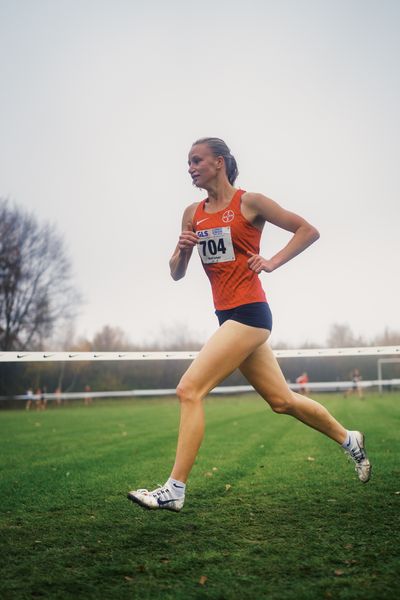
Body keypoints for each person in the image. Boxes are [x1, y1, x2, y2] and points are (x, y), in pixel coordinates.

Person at [128, 137, 371, 512]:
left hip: (251, 314)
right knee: (282, 401)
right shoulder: (192, 212)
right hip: (228, 317)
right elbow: (176, 274)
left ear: (220, 163)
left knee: (189, 389)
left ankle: (174, 489)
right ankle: (349, 438)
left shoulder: (250, 202)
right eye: (188, 163)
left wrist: (272, 262)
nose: (190, 168)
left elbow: (307, 229)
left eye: (197, 160)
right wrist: (183, 249)